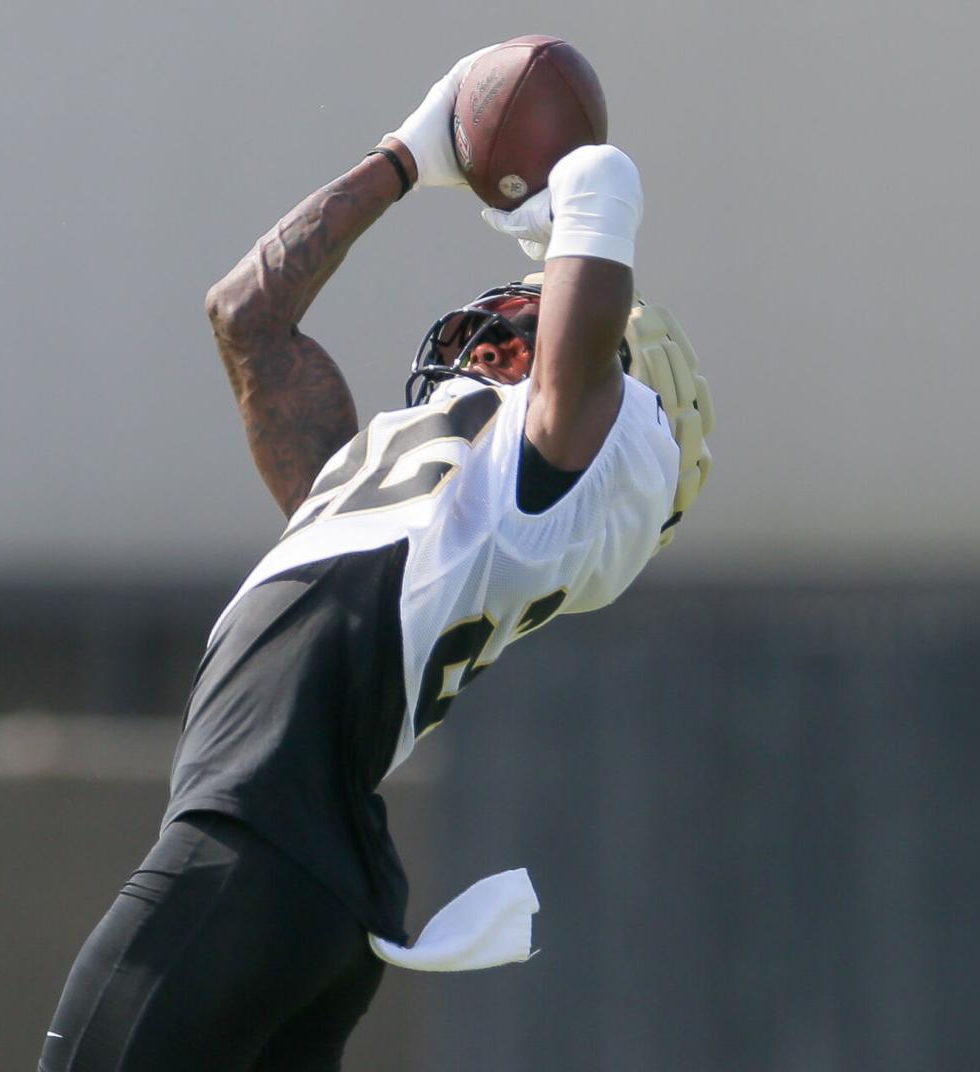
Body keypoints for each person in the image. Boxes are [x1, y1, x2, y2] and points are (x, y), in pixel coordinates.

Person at [39, 42, 712, 1072]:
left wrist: (591, 188)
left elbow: (575, 386)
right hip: (311, 897)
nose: (513, 308)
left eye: (549, 309)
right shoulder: (403, 496)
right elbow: (245, 316)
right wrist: (406, 152)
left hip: (248, 850)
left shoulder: (529, 494)